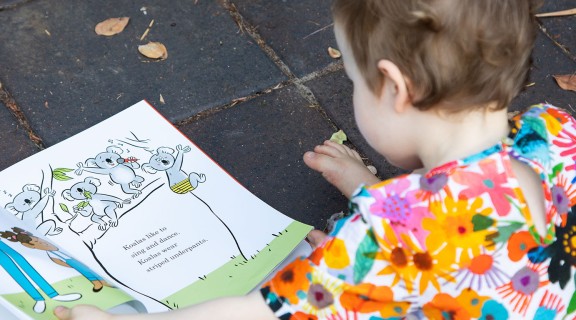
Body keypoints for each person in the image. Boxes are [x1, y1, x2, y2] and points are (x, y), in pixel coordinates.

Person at [54, 0, 576, 319]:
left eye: (352, 80)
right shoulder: (554, 131)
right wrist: (370, 191)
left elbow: (254, 313)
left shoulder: (386, 234)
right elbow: (474, 211)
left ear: (395, 88)